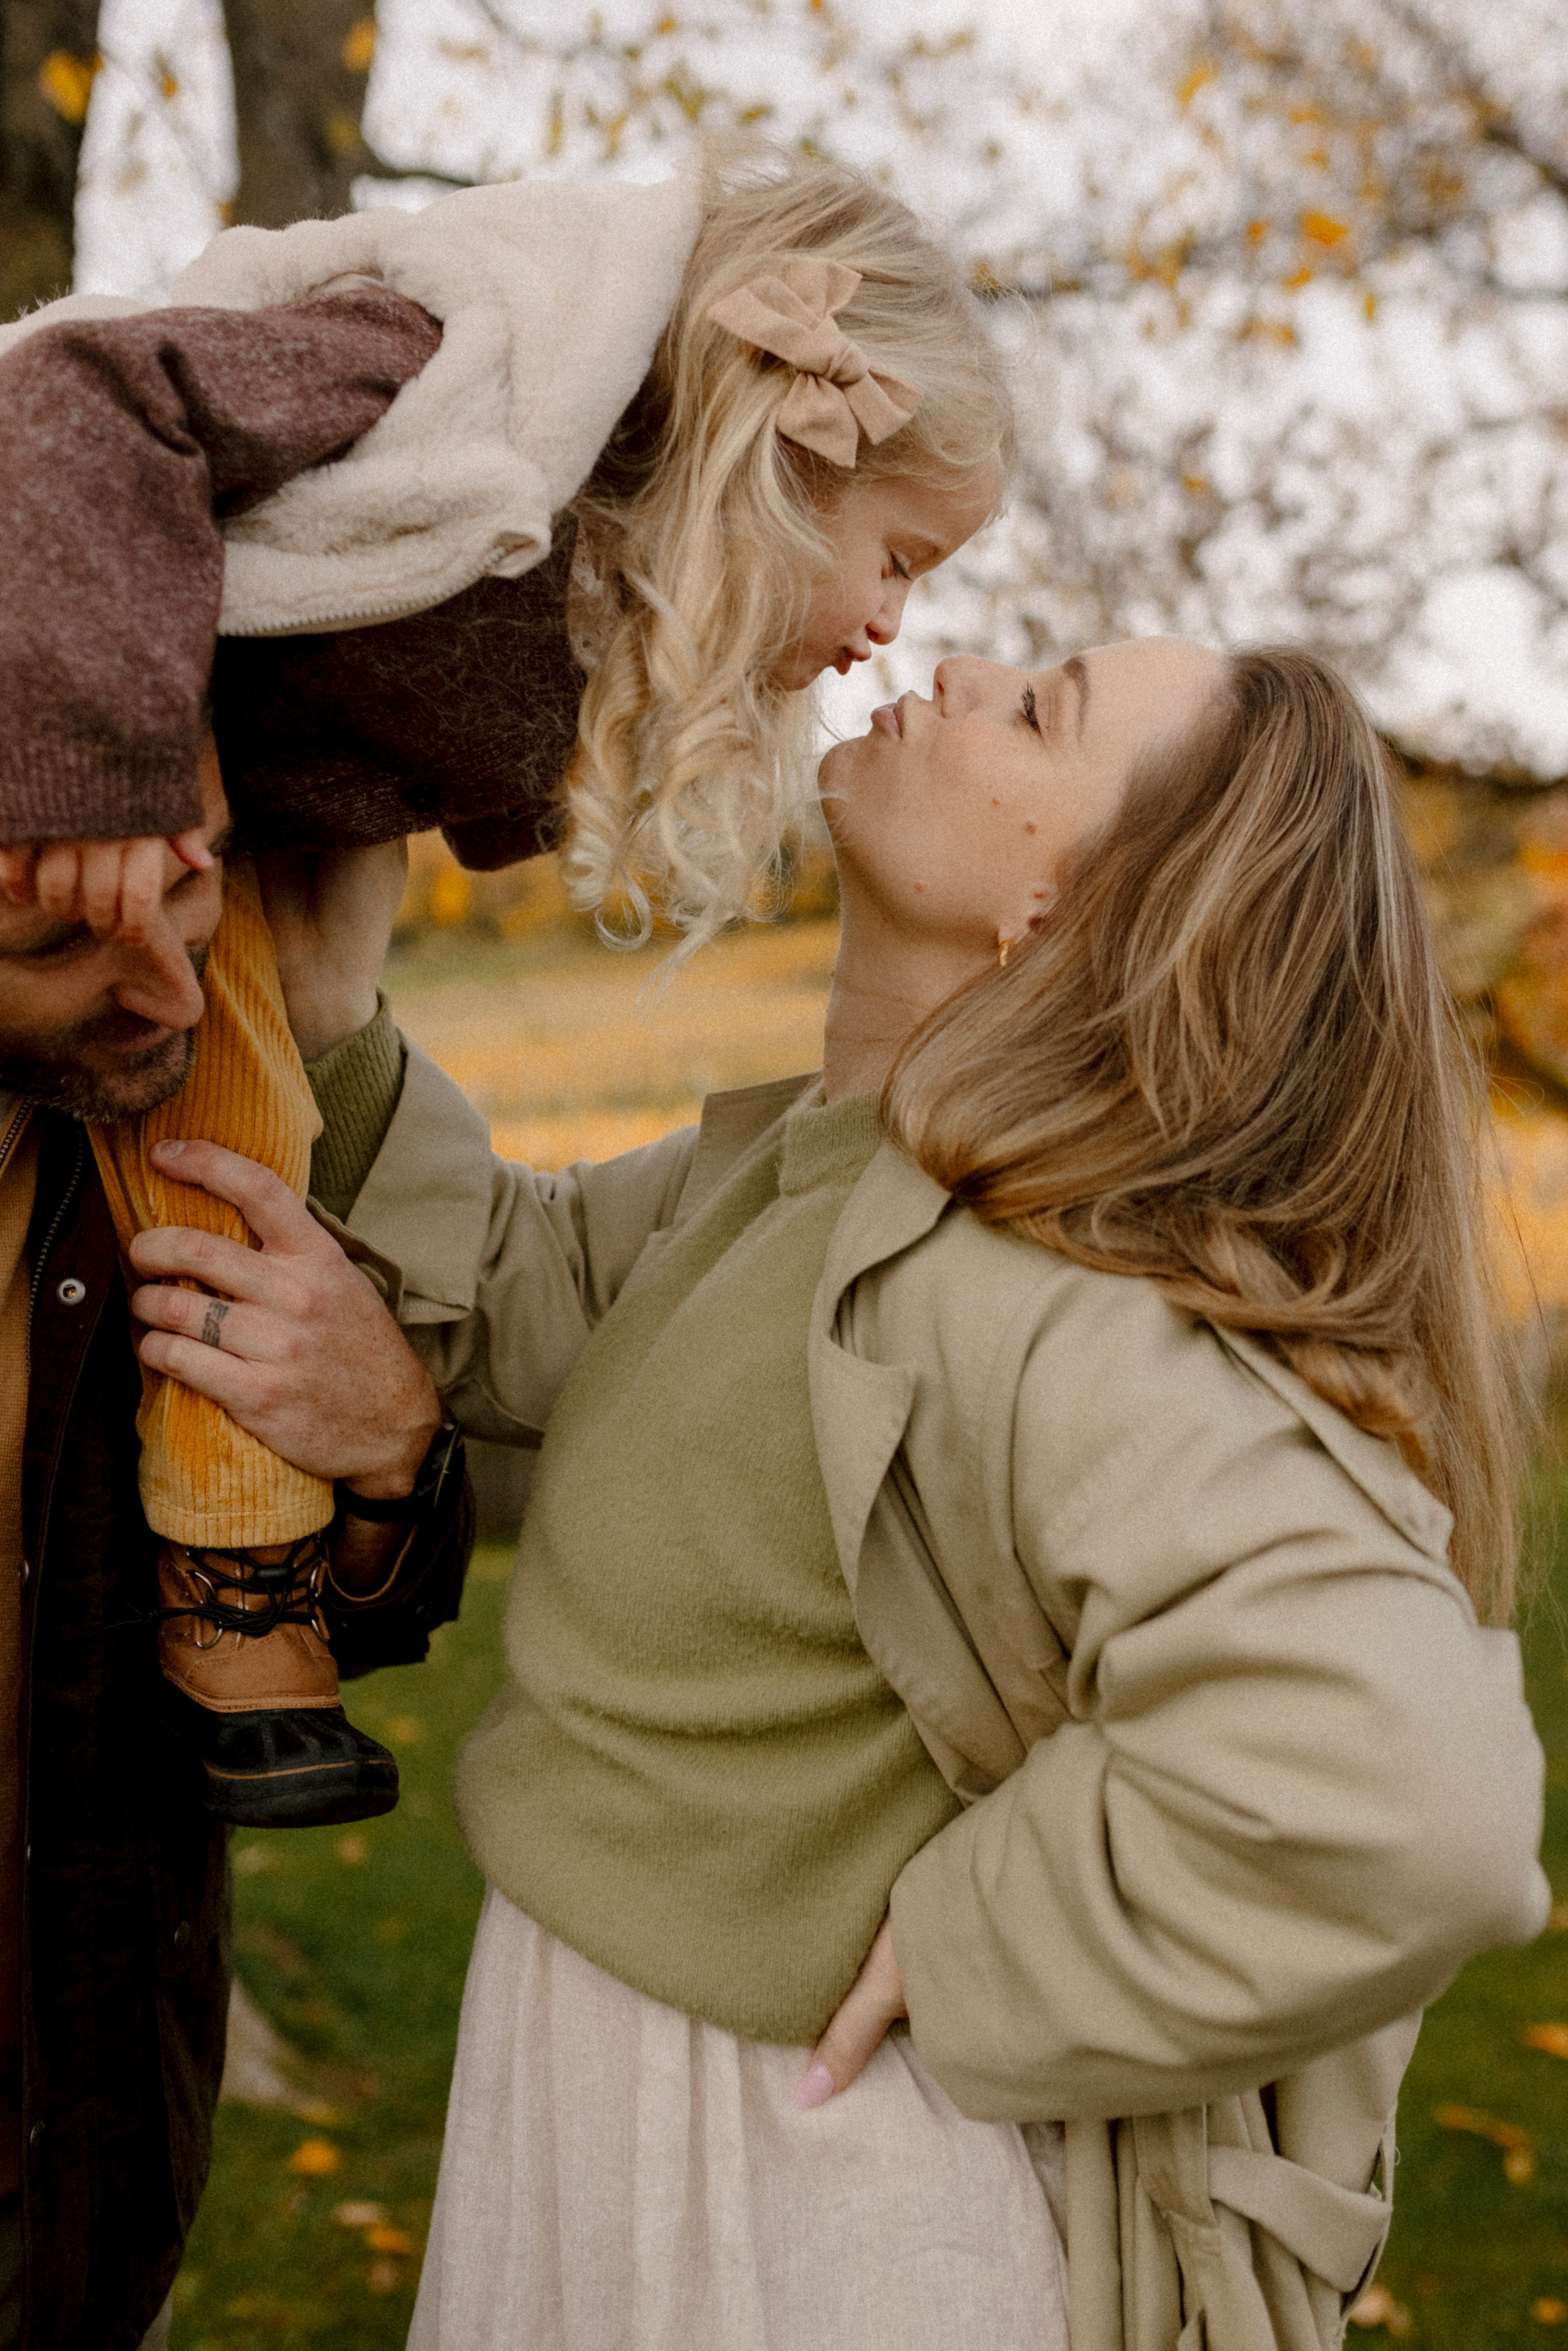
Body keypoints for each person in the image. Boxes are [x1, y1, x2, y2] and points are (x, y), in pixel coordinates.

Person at [141, 637, 1548, 2351]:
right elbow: (528, 1282)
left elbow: (1408, 1794)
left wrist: (973, 1945)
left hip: (823, 2198)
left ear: (1079, 910)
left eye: (1040, 710)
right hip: (608, 2106)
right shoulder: (822, 1164)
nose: (958, 664)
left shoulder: (1053, 1281)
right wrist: (334, 1011)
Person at [0, 158, 1008, 1826]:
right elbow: (80, 404)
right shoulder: (422, 373)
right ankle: (244, 1577)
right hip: (103, 750)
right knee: (219, 1130)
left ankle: (252, 1578)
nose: (891, 628)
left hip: (227, 867)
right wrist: (91, 774)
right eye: (899, 557)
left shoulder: (572, 586)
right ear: (776, 455)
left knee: (229, 1151)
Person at [0, 781, 464, 2349]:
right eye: (60, 916)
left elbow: (323, 1648)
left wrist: (394, 1453)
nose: (170, 985)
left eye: (192, 902)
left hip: (81, 2157)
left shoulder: (152, 1164)